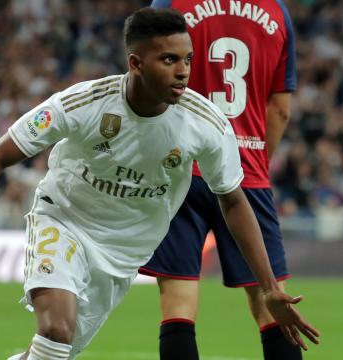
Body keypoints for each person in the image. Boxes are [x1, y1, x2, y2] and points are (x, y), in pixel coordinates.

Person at [0, 8, 319, 360]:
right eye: (168, 59)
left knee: (56, 351)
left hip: (122, 255)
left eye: (187, 60)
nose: (183, 71)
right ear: (136, 63)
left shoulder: (207, 124)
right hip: (65, 222)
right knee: (55, 329)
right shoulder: (84, 103)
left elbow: (233, 201)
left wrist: (268, 288)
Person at [140, 1, 303, 359]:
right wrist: (252, 163)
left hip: (179, 169)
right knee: (271, 303)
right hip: (247, 175)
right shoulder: (276, 12)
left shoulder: (171, 3)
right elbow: (281, 110)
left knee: (177, 304)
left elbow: (145, 84)